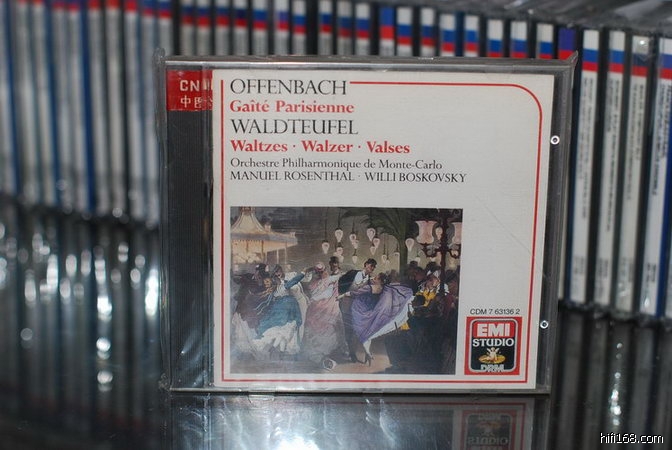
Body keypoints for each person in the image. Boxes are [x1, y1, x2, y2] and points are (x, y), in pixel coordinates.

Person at [339, 272, 414, 365]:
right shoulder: (386, 289)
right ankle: (367, 353)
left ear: (381, 281)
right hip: (371, 310)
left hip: (364, 311)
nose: (373, 278)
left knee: (361, 332)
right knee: (368, 332)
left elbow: (355, 293)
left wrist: (342, 295)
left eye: (376, 278)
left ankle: (362, 354)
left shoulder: (371, 287)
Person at [301, 257, 346, 370]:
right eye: (319, 272)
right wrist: (309, 270)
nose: (321, 273)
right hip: (317, 308)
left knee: (331, 327)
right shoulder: (315, 282)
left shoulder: (330, 279)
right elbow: (312, 290)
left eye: (322, 271)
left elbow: (331, 289)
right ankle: (319, 355)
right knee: (315, 328)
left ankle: (328, 354)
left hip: (329, 306)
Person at [337, 258, 377, 362]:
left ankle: (352, 352)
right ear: (365, 264)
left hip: (358, 306)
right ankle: (348, 351)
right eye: (371, 265)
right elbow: (340, 282)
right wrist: (341, 294)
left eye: (373, 267)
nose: (372, 268)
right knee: (347, 328)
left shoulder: (369, 280)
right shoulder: (353, 273)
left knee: (355, 329)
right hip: (346, 302)